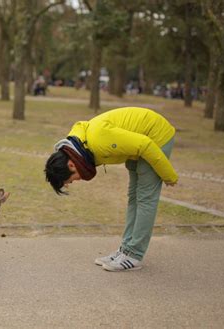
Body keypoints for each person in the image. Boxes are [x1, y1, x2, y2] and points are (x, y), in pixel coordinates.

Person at [44, 107, 177, 272]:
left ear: (71, 164)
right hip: (139, 145)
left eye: (69, 180)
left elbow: (145, 144)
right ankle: (126, 250)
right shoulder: (79, 146)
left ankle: (134, 255)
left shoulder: (100, 141)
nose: (73, 182)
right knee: (134, 197)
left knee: (145, 199)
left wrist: (168, 175)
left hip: (155, 138)